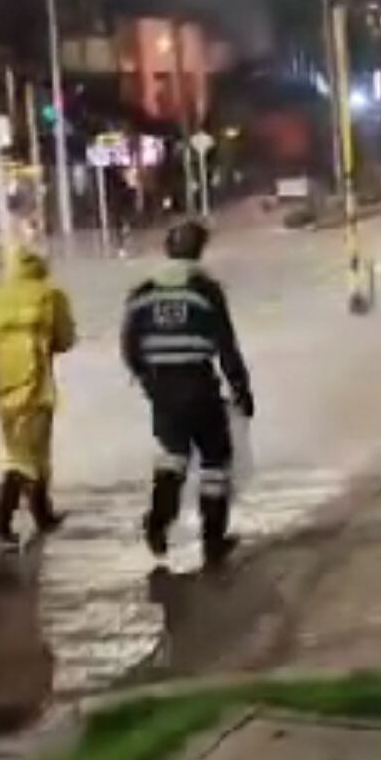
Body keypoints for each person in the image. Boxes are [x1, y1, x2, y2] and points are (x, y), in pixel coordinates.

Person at [121, 220, 255, 567]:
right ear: (199, 250)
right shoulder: (206, 290)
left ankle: (157, 521)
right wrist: (241, 388)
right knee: (214, 459)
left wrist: (147, 381)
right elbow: (226, 345)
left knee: (173, 454)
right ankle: (213, 542)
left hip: (161, 388)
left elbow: (129, 345)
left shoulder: (143, 292)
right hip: (198, 384)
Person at [0, 246, 78, 549]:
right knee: (29, 456)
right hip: (36, 388)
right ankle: (0, 521)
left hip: (1, 389)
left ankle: (43, 515)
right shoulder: (51, 295)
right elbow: (65, 339)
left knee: (21, 452)